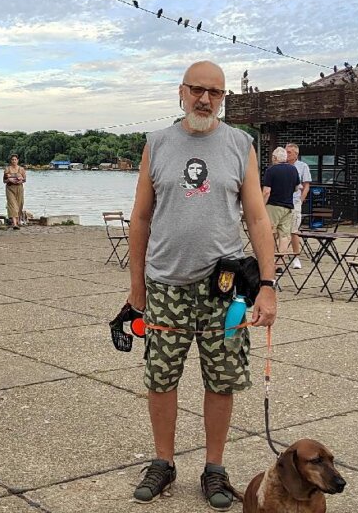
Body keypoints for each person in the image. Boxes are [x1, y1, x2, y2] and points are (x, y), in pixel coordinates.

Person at [127, 61, 277, 511]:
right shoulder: (158, 144)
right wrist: (137, 289)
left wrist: (267, 284)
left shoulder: (239, 144)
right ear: (181, 91)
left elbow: (256, 217)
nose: (205, 99)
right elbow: (140, 218)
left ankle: (214, 467)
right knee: (161, 377)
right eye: (197, 90)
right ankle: (163, 462)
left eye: (215, 92)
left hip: (224, 290)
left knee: (222, 379)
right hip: (166, 285)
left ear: (223, 97)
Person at [261, 147, 301, 254]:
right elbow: (297, 188)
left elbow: (266, 192)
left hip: (273, 206)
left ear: (274, 158)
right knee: (284, 235)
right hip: (288, 206)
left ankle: (270, 259)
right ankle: (279, 262)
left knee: (270, 233)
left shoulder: (271, 170)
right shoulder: (293, 169)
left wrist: (261, 206)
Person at [285, 143, 312, 269]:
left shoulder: (302, 166)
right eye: (286, 151)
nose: (287, 154)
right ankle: (281, 256)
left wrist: (301, 200)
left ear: (296, 154)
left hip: (295, 201)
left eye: (289, 152)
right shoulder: (281, 165)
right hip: (281, 201)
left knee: (294, 229)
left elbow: (306, 185)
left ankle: (296, 257)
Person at [4, 153, 27, 229]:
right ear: (11, 161)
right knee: (13, 205)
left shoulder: (21, 169)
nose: (14, 161)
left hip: (19, 188)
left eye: (15, 159)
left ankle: (17, 222)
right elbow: (4, 180)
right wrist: (9, 179)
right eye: (12, 159)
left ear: (18, 160)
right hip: (10, 188)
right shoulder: (7, 169)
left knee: (19, 204)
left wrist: (21, 180)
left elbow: (24, 179)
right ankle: (14, 224)